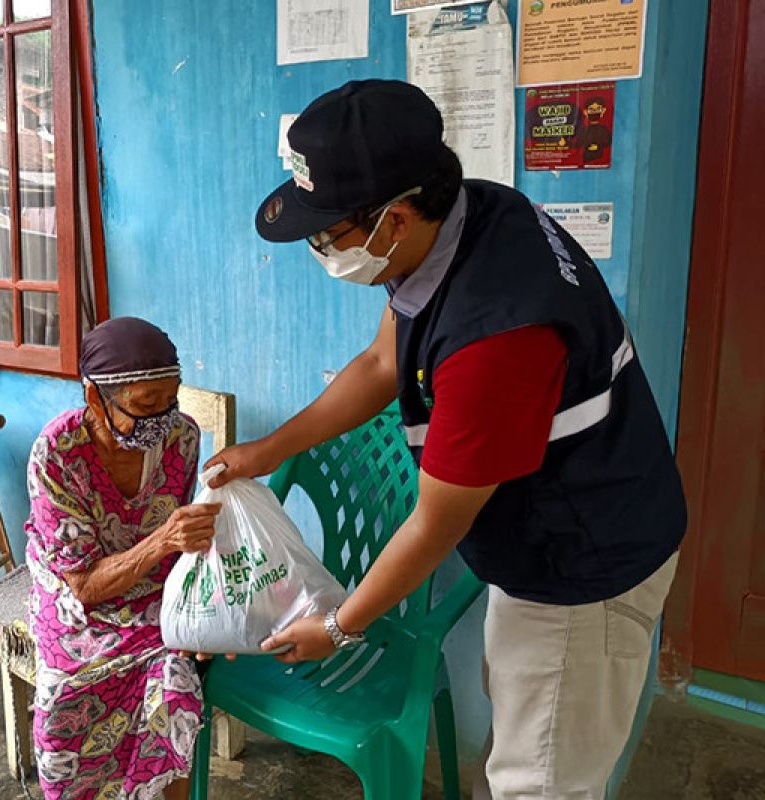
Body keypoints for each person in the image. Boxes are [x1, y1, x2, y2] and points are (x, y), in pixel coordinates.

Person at [207, 80, 686, 799]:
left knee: (546, 781)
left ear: (393, 219)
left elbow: (435, 522)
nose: (318, 248)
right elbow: (381, 361)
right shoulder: (467, 216)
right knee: (530, 740)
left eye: (325, 234)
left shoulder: (498, 336)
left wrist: (338, 627)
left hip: (583, 569)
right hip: (544, 542)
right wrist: (270, 449)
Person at [25, 316, 220, 800]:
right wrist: (161, 542)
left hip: (156, 592)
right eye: (145, 406)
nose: (162, 420)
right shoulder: (57, 454)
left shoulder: (182, 437)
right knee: (64, 706)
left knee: (175, 689)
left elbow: (183, 550)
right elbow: (85, 585)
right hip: (78, 599)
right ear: (95, 398)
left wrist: (208, 612)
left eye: (171, 401)